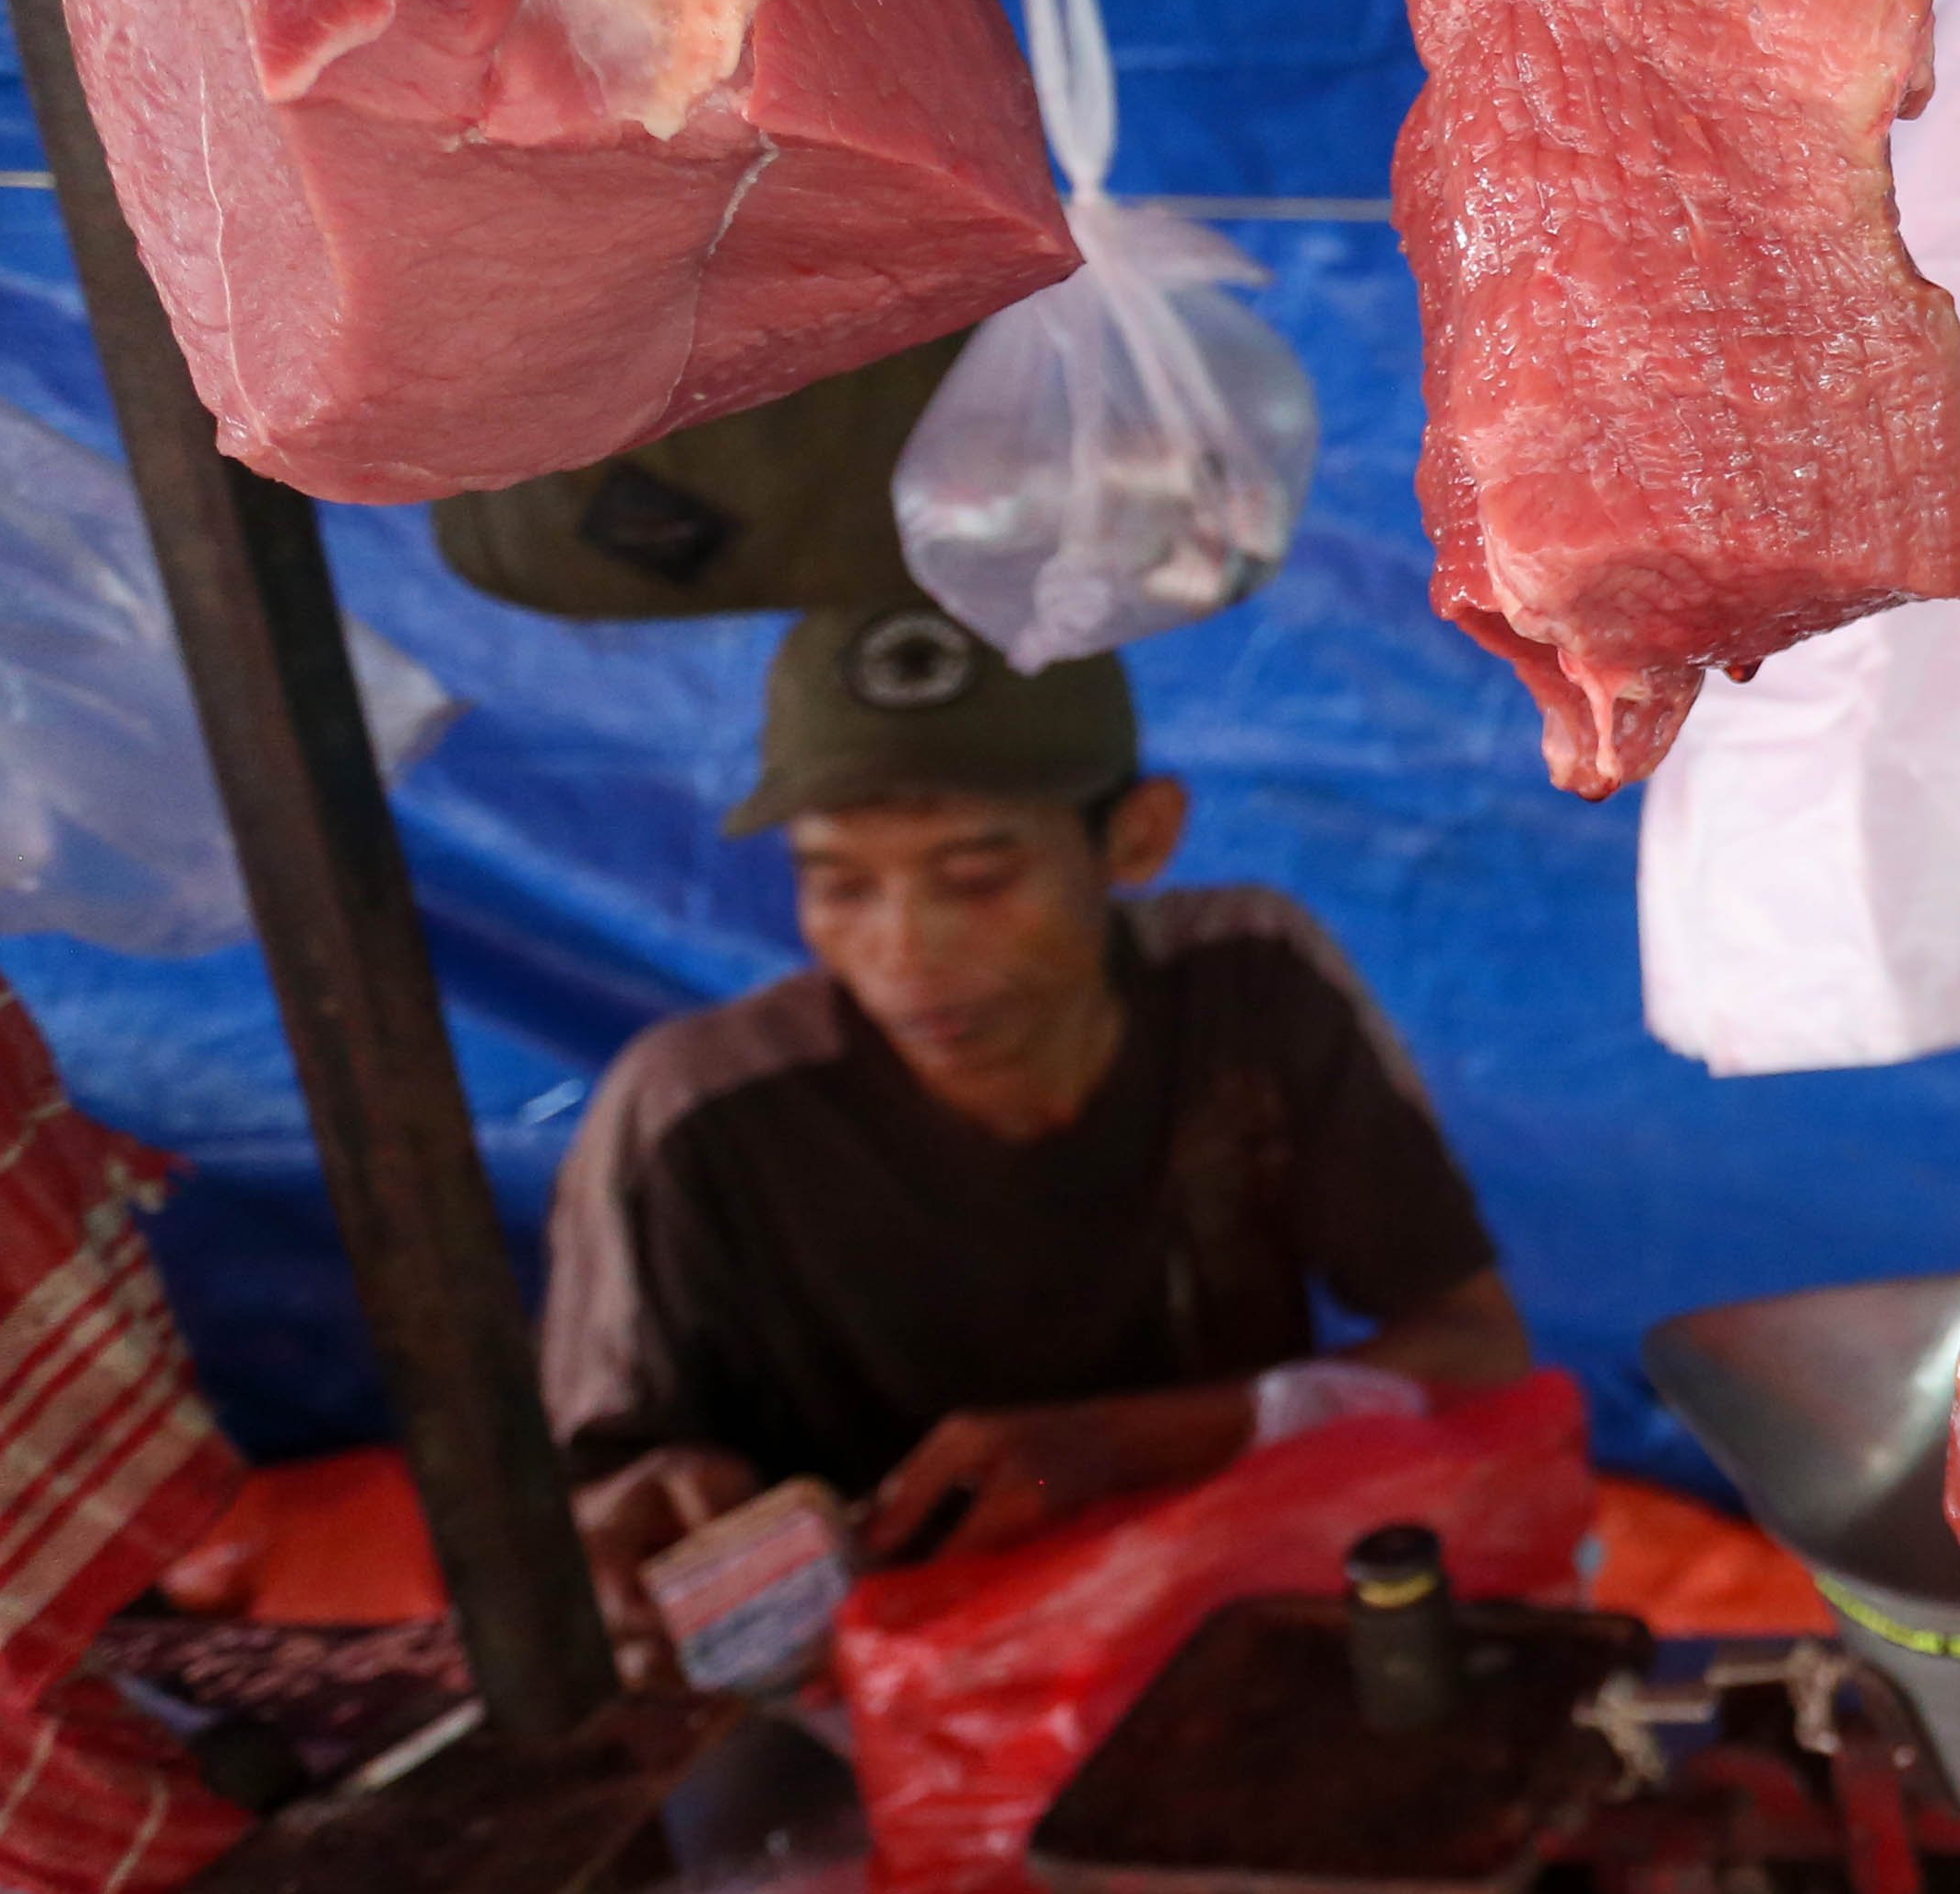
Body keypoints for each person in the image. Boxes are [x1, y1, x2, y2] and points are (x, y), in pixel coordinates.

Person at [545, 602, 1529, 1669]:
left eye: (978, 879)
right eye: (840, 885)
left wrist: (1114, 1447)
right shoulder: (693, 1113)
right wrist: (642, 1522)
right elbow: (586, 1505)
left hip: (1218, 1639)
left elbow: (1476, 1351)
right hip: (866, 1696)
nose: (905, 952)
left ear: (1137, 836)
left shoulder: (1247, 989)